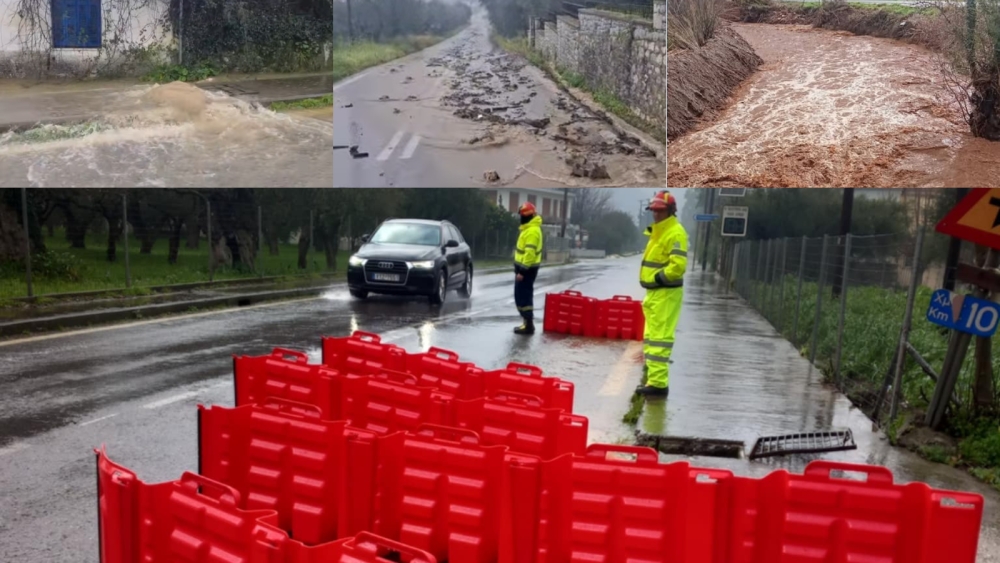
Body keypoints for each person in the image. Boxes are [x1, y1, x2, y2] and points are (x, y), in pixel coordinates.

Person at [636, 190, 688, 397]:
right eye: (654, 210)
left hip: (665, 292)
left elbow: (678, 266)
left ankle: (658, 384)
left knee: (660, 338)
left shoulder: (675, 233)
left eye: (660, 211)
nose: (656, 214)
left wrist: (658, 278)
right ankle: (654, 379)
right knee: (652, 337)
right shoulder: (659, 231)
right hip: (656, 293)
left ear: (670, 211)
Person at [513, 202, 543, 335]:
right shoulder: (529, 229)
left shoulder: (532, 231)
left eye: (522, 215)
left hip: (527, 270)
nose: (520, 218)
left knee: (524, 297)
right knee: (521, 296)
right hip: (524, 269)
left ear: (527, 216)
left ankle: (528, 325)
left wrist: (522, 271)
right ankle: (526, 323)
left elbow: (529, 254)